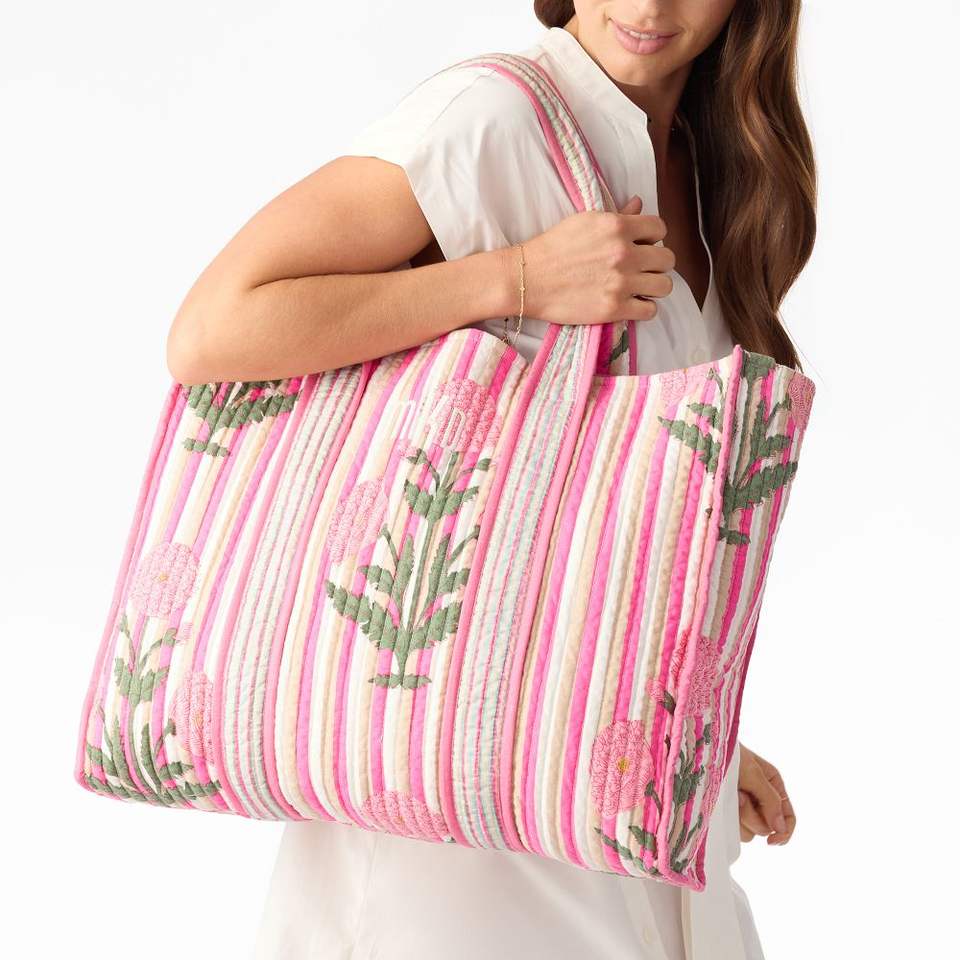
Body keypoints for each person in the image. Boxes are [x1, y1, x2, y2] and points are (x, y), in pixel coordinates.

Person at [167, 4, 811, 958]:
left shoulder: (719, 167)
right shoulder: (495, 118)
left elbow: (592, 516)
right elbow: (213, 328)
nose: (647, 7)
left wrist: (681, 728)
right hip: (454, 882)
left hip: (617, 828)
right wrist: (514, 279)